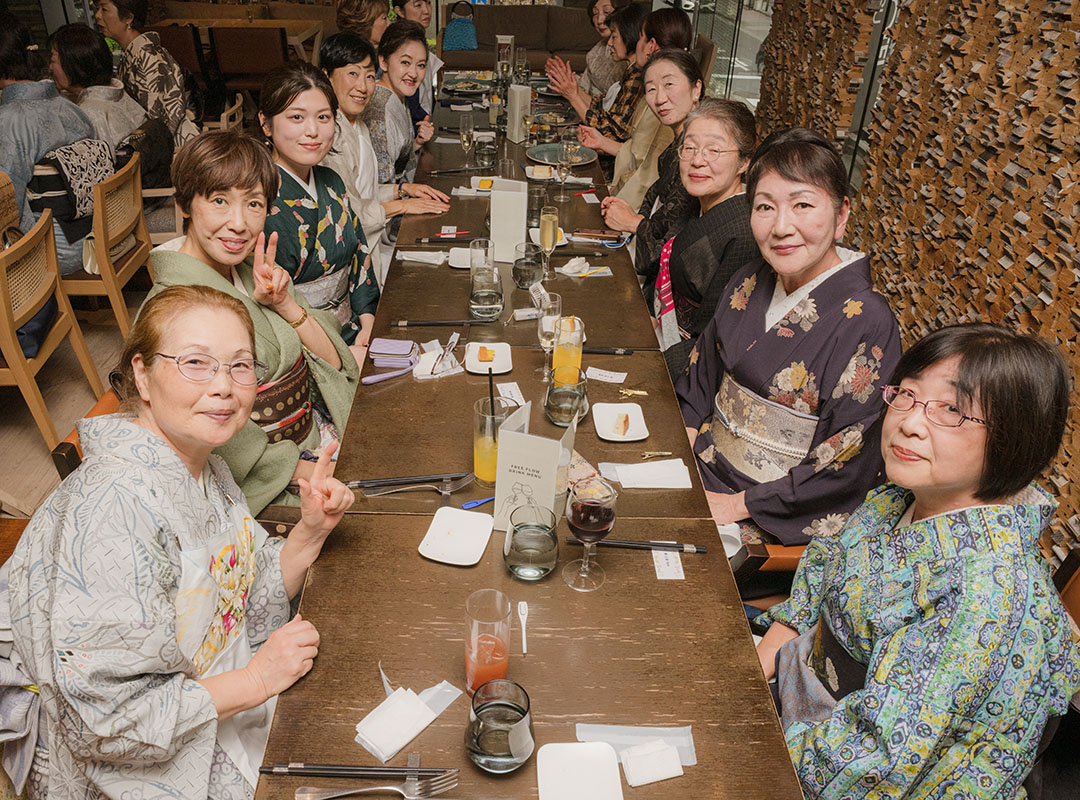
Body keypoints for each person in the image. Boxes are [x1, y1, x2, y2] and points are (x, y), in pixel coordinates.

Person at [3, 284, 354, 799]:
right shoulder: (113, 508)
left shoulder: (206, 466)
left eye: (240, 366)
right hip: (130, 755)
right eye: (195, 363)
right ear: (143, 375)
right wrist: (256, 680)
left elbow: (242, 592)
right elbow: (105, 721)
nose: (224, 387)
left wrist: (310, 531)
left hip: (210, 693)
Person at [756, 323, 1080, 798]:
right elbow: (818, 581)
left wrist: (748, 732)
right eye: (907, 394)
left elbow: (875, 761)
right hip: (793, 699)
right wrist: (755, 670)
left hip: (838, 769)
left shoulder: (986, 592)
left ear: (1015, 438)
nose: (909, 422)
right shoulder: (897, 499)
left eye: (952, 409)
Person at [675, 128, 902, 549]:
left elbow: (844, 460)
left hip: (766, 516)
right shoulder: (749, 279)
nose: (781, 227)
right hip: (698, 468)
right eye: (765, 207)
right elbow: (701, 377)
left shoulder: (868, 323)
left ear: (841, 215)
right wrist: (680, 454)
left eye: (803, 205)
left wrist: (734, 505)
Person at [148, 129, 360, 514]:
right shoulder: (172, 308)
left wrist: (285, 304)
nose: (239, 223)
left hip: (314, 440)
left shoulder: (253, 272)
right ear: (184, 203)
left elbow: (333, 362)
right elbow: (209, 431)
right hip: (260, 483)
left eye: (254, 204)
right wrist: (309, 471)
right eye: (219, 201)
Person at [257, 62, 380, 357]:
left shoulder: (331, 182)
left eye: (323, 117)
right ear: (266, 123)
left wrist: (367, 322)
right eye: (296, 117)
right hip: (298, 346)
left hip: (353, 332)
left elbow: (359, 255)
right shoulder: (257, 200)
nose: (312, 131)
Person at [320, 32, 449, 286]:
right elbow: (347, 215)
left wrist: (402, 190)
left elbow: (362, 192)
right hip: (351, 266)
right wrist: (403, 205)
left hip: (373, 247)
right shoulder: (328, 135)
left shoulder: (357, 123)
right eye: (353, 74)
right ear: (326, 76)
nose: (363, 86)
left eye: (369, 76)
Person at [652, 98, 759, 376]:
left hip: (685, 365)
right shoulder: (698, 199)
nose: (698, 161)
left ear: (744, 162)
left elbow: (712, 340)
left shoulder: (744, 235)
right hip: (661, 332)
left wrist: (654, 366)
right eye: (689, 148)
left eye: (714, 150)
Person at [0, 15, 96, 275]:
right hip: (96, 235)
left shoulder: (10, 120)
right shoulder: (70, 107)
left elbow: (6, 201)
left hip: (53, 249)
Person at [578, 8, 694, 208]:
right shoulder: (651, 86)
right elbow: (638, 153)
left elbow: (647, 173)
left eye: (640, 36)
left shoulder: (663, 104)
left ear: (651, 45)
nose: (660, 98)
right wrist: (602, 142)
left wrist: (619, 204)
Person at [601, 47, 701, 268]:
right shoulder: (676, 145)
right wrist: (632, 216)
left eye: (669, 84)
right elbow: (655, 205)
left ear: (696, 89)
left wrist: (633, 223)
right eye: (651, 89)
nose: (660, 98)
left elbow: (671, 243)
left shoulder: (696, 156)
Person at [95, 0, 200, 148]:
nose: (97, 15)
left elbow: (163, 121)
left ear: (128, 18)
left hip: (174, 149)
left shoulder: (149, 56)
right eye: (97, 9)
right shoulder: (133, 53)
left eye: (104, 9)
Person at [545, 2, 649, 142]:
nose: (609, 43)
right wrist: (573, 88)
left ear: (629, 35)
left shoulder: (637, 77)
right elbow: (601, 108)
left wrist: (573, 96)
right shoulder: (630, 71)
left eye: (614, 36)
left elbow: (610, 134)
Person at [48, 23, 147, 150]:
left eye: (53, 60)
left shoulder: (88, 114)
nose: (50, 68)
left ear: (72, 63)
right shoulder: (117, 92)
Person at [362, 21, 434, 184]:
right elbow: (380, 185)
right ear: (383, 62)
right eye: (405, 63)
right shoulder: (379, 112)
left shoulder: (398, 95)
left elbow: (395, 160)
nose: (413, 73)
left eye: (421, 65)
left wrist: (417, 143)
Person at [391, 0, 442, 135]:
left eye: (429, 3)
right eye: (418, 5)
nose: (426, 10)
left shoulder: (419, 42)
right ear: (399, 11)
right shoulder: (397, 45)